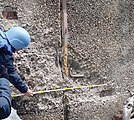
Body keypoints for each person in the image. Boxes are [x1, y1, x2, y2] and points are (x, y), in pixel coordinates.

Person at [0, 26, 33, 119]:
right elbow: (12, 74)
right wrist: (25, 90)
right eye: (20, 48)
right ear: (17, 44)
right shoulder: (4, 53)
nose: (19, 50)